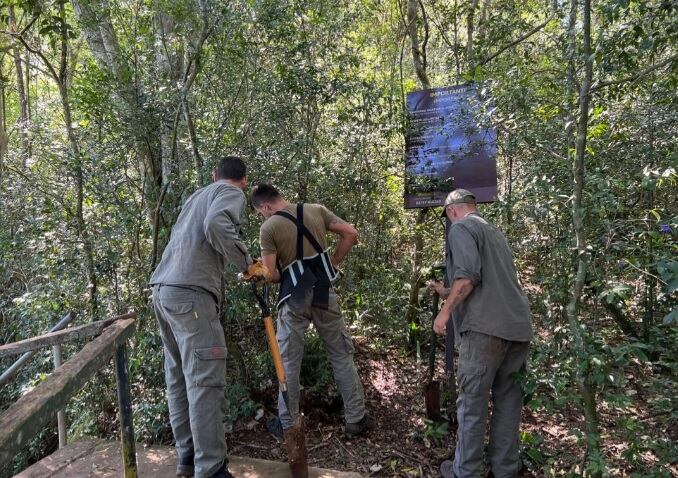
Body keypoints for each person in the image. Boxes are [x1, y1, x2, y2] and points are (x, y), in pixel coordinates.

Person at [150, 156, 268, 478]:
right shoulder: (229, 192)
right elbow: (217, 224)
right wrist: (247, 263)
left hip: (163, 292)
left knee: (179, 377)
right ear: (243, 181)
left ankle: (187, 460)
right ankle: (211, 469)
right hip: (191, 296)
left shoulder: (195, 196)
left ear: (214, 174)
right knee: (204, 379)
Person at [250, 183, 372, 438]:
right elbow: (350, 233)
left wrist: (257, 275)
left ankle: (288, 425)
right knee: (341, 354)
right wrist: (333, 263)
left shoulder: (269, 227)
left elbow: (271, 274)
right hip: (323, 291)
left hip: (293, 299)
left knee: (289, 363)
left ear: (265, 206)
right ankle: (356, 418)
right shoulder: (316, 210)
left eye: (261, 212)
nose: (263, 216)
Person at [429, 189, 533, 478]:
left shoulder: (461, 228)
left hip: (484, 329)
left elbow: (469, 278)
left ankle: (466, 471)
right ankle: (504, 469)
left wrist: (445, 312)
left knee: (472, 403)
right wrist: (444, 291)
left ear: (452, 212)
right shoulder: (494, 232)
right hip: (517, 328)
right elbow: (484, 280)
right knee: (508, 402)